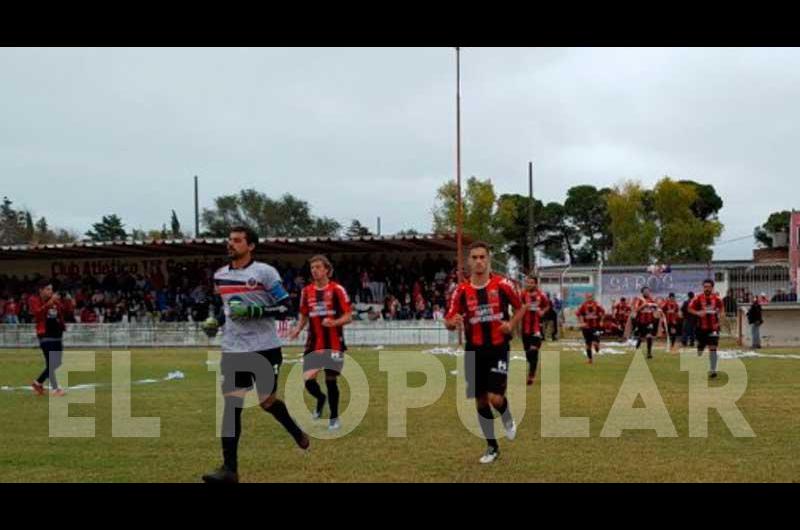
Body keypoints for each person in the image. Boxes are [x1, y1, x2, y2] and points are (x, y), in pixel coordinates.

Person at [202, 226, 309, 484]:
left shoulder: (264, 272)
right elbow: (226, 309)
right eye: (229, 240)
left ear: (250, 246)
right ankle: (230, 470)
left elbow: (286, 306)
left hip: (264, 347)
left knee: (266, 401)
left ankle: (296, 431)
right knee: (231, 407)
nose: (231, 244)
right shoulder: (220, 276)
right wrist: (215, 321)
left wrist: (253, 312)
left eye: (237, 241)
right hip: (233, 348)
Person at [444, 241, 525, 464]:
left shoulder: (503, 284)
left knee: (495, 398)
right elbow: (448, 320)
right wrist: (453, 322)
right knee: (480, 401)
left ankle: (506, 416)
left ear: (488, 259)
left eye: (482, 257)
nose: (479, 261)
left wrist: (511, 325)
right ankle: (492, 446)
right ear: (468, 262)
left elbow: (520, 307)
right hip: (474, 349)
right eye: (474, 258)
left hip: (498, 347)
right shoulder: (460, 291)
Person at [288, 255, 353, 431]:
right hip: (313, 342)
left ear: (327, 269)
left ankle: (334, 417)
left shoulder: (337, 289)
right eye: (312, 268)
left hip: (333, 342)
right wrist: (297, 329)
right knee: (308, 379)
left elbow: (349, 316)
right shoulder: (306, 291)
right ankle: (320, 399)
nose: (314, 270)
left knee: (331, 381)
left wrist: (335, 323)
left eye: (318, 267)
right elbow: (303, 315)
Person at [29, 280, 67, 397]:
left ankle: (38, 383)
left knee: (57, 362)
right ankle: (55, 389)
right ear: (41, 290)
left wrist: (58, 302)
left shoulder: (54, 300)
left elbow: (63, 311)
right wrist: (50, 302)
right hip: (45, 334)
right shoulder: (33, 299)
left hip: (57, 333)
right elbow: (37, 314)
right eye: (48, 289)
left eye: (51, 289)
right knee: (52, 362)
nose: (51, 291)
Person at [688, 279, 725, 379]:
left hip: (713, 327)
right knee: (701, 347)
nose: (707, 288)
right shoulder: (697, 298)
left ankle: (713, 370)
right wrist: (697, 313)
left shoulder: (717, 299)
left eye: (709, 287)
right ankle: (700, 349)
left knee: (713, 347)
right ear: (703, 287)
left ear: (712, 287)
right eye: (705, 286)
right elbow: (689, 308)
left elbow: (722, 310)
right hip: (701, 328)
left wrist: (720, 319)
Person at [519, 274, 550, 385]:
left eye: (532, 282)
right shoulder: (523, 295)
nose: (529, 284)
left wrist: (542, 311)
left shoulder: (541, 295)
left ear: (536, 284)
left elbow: (547, 306)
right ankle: (532, 366)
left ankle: (531, 375)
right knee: (528, 353)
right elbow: (518, 306)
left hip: (537, 327)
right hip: (525, 328)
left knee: (534, 350)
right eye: (528, 282)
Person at [631, 287, 661, 359]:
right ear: (642, 292)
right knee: (641, 336)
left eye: (648, 291)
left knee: (649, 336)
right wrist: (643, 306)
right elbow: (636, 309)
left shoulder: (651, 299)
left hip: (649, 321)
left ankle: (649, 353)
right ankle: (638, 344)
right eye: (645, 291)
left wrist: (656, 307)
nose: (647, 292)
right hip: (641, 321)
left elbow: (656, 307)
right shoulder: (639, 299)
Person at [575, 293, 605, 364]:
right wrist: (581, 322)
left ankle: (597, 346)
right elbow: (578, 314)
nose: (589, 298)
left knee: (595, 343)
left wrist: (601, 321)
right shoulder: (583, 305)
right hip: (586, 328)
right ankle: (590, 359)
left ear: (592, 297)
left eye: (590, 297)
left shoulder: (596, 305)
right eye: (588, 297)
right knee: (588, 344)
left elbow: (603, 312)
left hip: (595, 327)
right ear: (586, 298)